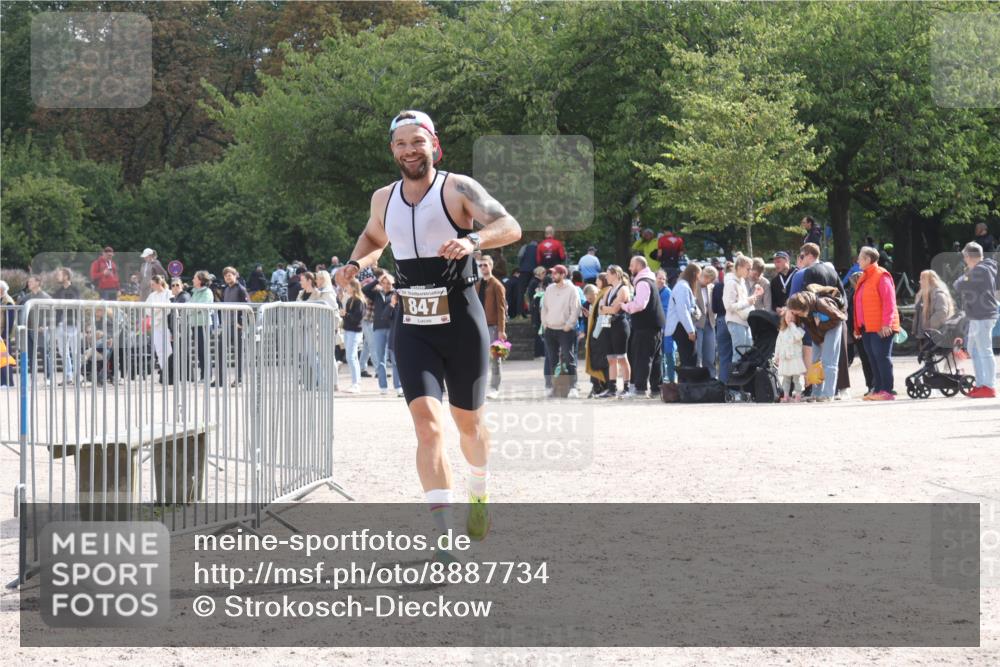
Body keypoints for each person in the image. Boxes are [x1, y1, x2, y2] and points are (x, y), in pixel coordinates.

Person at [340, 110, 521, 545]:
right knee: (427, 425)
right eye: (401, 143)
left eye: (417, 142)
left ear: (434, 145)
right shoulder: (383, 198)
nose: (410, 150)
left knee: (469, 425)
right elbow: (374, 239)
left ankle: (479, 490)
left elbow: (509, 226)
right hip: (413, 323)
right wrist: (354, 264)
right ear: (392, 150)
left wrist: (472, 240)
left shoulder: (457, 188)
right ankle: (443, 536)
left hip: (461, 320)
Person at [852, 247, 900, 401]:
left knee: (882, 357)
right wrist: (857, 326)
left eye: (860, 258)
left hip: (881, 326)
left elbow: (889, 302)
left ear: (868, 259)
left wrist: (887, 324)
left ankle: (887, 390)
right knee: (872, 358)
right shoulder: (864, 277)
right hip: (867, 327)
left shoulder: (881, 275)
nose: (858, 260)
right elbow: (860, 303)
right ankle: (878, 389)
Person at [953, 242, 998, 398]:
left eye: (965, 257)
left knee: (984, 350)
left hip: (982, 315)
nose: (964, 260)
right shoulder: (982, 268)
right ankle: (981, 384)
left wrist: (966, 275)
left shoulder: (980, 270)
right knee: (974, 350)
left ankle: (989, 386)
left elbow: (958, 285)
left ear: (969, 256)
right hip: (978, 315)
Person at [786, 286, 847, 401]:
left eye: (795, 311)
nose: (794, 314)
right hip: (819, 331)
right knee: (815, 361)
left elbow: (840, 317)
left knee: (829, 361)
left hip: (833, 327)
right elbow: (812, 328)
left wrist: (821, 326)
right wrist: (819, 340)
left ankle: (828, 394)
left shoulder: (821, 304)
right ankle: (817, 393)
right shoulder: (803, 312)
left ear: (802, 308)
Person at [620, 255, 665, 398]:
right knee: (655, 359)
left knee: (642, 358)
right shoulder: (649, 280)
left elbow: (640, 305)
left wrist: (624, 306)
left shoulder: (642, 282)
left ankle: (640, 389)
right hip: (654, 326)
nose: (629, 268)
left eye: (632, 265)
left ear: (639, 266)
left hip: (645, 327)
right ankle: (656, 390)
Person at [542, 264, 582, 398]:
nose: (553, 275)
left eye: (555, 273)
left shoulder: (572, 289)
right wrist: (545, 323)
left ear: (563, 274)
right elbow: (544, 308)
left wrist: (569, 325)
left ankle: (573, 387)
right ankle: (556, 388)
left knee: (568, 358)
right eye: (552, 273)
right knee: (552, 359)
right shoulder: (549, 289)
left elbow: (575, 309)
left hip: (565, 330)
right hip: (550, 329)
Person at [364, 270, 403, 397]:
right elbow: (365, 289)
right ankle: (383, 386)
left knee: (395, 359)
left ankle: (398, 386)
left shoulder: (396, 295)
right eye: (384, 283)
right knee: (380, 358)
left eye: (389, 283)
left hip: (393, 328)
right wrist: (378, 279)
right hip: (378, 328)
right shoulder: (376, 293)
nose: (386, 285)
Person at [597, 265, 631, 397]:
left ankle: (626, 387)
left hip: (619, 325)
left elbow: (615, 309)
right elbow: (601, 309)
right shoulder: (609, 289)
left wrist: (605, 308)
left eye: (608, 274)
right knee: (610, 358)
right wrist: (606, 308)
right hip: (607, 324)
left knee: (622, 357)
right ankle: (612, 388)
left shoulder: (623, 289)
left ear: (616, 274)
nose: (606, 277)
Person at [476, 255, 507, 400]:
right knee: (479, 358)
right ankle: (479, 387)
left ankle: (495, 388)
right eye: (481, 265)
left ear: (491, 266)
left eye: (485, 265)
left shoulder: (497, 285)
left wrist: (502, 330)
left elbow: (502, 309)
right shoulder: (478, 284)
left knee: (496, 358)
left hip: (493, 326)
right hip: (479, 326)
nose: (483, 268)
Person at [723, 256, 765, 363]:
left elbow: (742, 301)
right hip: (736, 322)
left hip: (744, 322)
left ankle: (744, 374)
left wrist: (754, 296)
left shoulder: (741, 281)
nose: (750, 272)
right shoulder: (731, 283)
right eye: (748, 269)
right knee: (739, 355)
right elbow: (729, 306)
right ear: (739, 267)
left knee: (747, 353)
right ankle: (736, 374)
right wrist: (748, 301)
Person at [17, 276, 53, 382]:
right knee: (31, 355)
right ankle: (33, 378)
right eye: (28, 282)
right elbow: (19, 309)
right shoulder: (27, 297)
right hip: (28, 329)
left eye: (31, 282)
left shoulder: (46, 297)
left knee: (44, 353)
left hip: (41, 329)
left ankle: (48, 377)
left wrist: (46, 325)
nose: (29, 283)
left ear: (38, 282)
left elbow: (52, 313)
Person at [665, 263, 701, 368]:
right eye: (698, 275)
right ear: (693, 274)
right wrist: (690, 331)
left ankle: (686, 378)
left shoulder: (682, 286)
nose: (698, 279)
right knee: (689, 360)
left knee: (687, 359)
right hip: (682, 327)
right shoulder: (683, 287)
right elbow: (683, 310)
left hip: (682, 326)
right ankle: (687, 379)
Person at [218, 266, 249, 387]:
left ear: (235, 276)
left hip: (237, 326)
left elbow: (247, 306)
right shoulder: (225, 289)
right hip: (226, 325)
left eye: (230, 275)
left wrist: (241, 323)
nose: (227, 277)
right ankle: (220, 379)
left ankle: (239, 379)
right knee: (220, 351)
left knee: (238, 354)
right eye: (226, 276)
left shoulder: (241, 289)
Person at [51, 268, 81, 385]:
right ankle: (68, 376)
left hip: (72, 323)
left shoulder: (75, 289)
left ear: (66, 276)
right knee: (63, 351)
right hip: (60, 324)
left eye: (60, 275)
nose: (57, 277)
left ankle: (77, 376)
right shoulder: (58, 291)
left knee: (75, 351)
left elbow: (75, 303)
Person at [846, 271, 874, 396]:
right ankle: (872, 384)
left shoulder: (854, 293)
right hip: (859, 329)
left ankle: (871, 385)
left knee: (866, 359)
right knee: (868, 359)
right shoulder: (855, 293)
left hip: (858, 329)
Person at [912, 270, 956, 349]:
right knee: (925, 355)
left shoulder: (938, 294)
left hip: (933, 335)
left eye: (922, 279)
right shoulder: (923, 294)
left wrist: (928, 325)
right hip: (924, 334)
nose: (920, 282)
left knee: (930, 355)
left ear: (929, 281)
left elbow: (941, 313)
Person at [582, 283, 610, 397]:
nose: (589, 301)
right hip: (595, 336)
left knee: (602, 362)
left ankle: (604, 386)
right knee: (594, 361)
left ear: (596, 293)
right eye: (587, 299)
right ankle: (597, 386)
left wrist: (595, 335)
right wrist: (589, 316)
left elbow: (606, 320)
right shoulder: (592, 304)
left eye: (590, 298)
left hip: (601, 337)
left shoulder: (602, 301)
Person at [340, 278, 366, 394]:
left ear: (354, 287)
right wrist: (344, 315)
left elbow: (357, 318)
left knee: (351, 357)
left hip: (354, 331)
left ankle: (356, 384)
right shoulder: (351, 299)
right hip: (348, 330)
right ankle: (355, 382)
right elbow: (350, 316)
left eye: (348, 286)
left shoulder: (359, 301)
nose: (346, 287)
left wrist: (346, 314)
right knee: (352, 357)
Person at [775, 310, 807, 402]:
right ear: (784, 318)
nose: (789, 319)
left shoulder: (798, 330)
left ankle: (798, 395)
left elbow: (798, 337)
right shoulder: (782, 331)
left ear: (796, 319)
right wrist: (776, 355)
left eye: (792, 318)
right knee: (786, 379)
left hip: (795, 358)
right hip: (785, 358)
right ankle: (786, 395)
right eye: (787, 317)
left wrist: (792, 326)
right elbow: (778, 344)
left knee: (796, 379)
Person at [145, 275, 172, 383]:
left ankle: (170, 371)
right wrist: (158, 309)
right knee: (159, 350)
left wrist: (156, 310)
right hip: (155, 324)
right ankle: (163, 371)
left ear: (159, 283)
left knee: (168, 349)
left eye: (153, 284)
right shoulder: (152, 295)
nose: (151, 286)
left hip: (165, 324)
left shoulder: (168, 293)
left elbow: (168, 308)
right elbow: (147, 309)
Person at [189, 271, 215, 381]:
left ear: (200, 280)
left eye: (194, 278)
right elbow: (190, 306)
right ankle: (203, 375)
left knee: (204, 350)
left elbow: (200, 306)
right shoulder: (195, 292)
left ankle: (207, 376)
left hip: (204, 324)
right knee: (200, 351)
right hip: (195, 324)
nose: (193, 280)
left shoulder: (207, 292)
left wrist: (190, 310)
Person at [694, 265, 718, 378]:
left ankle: (711, 378)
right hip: (697, 324)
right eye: (706, 277)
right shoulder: (694, 285)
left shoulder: (712, 287)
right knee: (697, 354)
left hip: (710, 323)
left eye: (710, 279)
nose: (707, 280)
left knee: (710, 354)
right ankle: (697, 378)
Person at [656, 269, 676, 384]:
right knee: (660, 355)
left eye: (663, 279)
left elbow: (666, 311)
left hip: (667, 328)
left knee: (669, 354)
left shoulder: (667, 292)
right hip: (660, 328)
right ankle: (662, 380)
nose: (662, 281)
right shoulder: (655, 291)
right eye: (659, 278)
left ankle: (672, 380)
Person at [711, 265, 731, 381]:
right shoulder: (735, 284)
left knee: (723, 355)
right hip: (732, 319)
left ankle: (723, 382)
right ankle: (734, 383)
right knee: (736, 354)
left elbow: (714, 308)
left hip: (720, 320)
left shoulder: (717, 286)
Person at [526, 266, 548, 358]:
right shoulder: (535, 283)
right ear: (540, 273)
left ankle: (540, 352)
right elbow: (536, 297)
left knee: (539, 331)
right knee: (539, 331)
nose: (545, 275)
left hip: (536, 309)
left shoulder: (534, 282)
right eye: (544, 273)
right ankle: (539, 353)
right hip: (537, 310)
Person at [516, 238, 539, 317]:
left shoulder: (525, 247)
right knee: (533, 291)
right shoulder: (538, 248)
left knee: (521, 292)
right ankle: (533, 311)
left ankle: (520, 312)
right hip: (534, 271)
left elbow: (519, 256)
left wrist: (521, 265)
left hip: (524, 271)